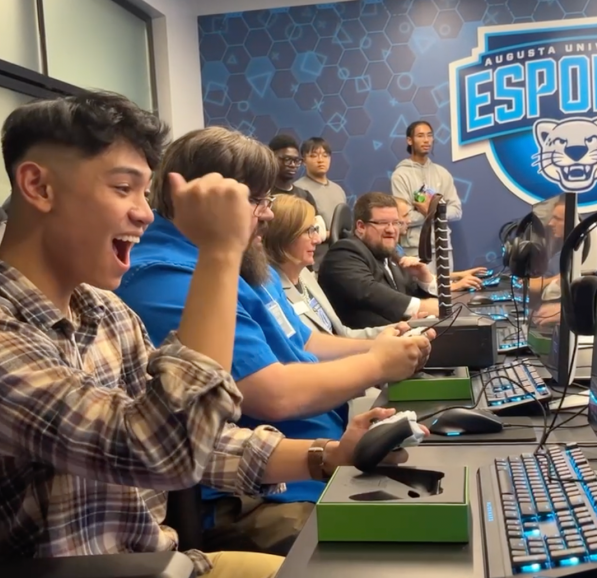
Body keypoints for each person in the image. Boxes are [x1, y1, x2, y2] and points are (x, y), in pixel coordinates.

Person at [0, 91, 415, 578]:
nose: (143, 212)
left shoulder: (106, 311)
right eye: (122, 188)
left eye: (145, 191)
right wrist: (220, 251)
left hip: (175, 563)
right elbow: (165, 451)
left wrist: (328, 457)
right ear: (39, 186)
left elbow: (207, 442)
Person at [116, 126, 433, 556]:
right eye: (257, 200)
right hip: (263, 496)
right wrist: (377, 365)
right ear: (209, 199)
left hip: (315, 457)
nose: (267, 214)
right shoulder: (165, 276)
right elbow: (270, 395)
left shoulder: (241, 263)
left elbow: (304, 340)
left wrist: (376, 348)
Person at [264, 194, 401, 338]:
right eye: (308, 231)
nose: (317, 239)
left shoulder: (304, 275)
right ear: (283, 235)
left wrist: (397, 330)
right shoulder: (269, 289)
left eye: (315, 230)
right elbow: (308, 350)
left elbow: (343, 335)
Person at [319, 192, 444, 329]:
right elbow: (370, 292)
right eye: (383, 223)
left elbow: (409, 293)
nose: (391, 230)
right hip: (365, 345)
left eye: (395, 223)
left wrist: (424, 278)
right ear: (361, 227)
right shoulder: (344, 253)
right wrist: (422, 307)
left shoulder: (389, 254)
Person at [390, 120, 462, 273]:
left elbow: (456, 210)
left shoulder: (442, 173)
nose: (426, 140)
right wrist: (433, 214)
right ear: (410, 140)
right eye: (420, 136)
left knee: (449, 292)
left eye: (429, 135)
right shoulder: (400, 175)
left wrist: (432, 213)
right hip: (415, 249)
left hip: (443, 246)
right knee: (422, 293)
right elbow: (404, 218)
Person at [393, 196, 483, 291]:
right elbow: (416, 282)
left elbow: (425, 277)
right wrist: (455, 286)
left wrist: (459, 275)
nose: (409, 220)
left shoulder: (397, 248)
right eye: (405, 215)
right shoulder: (391, 253)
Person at [295, 136, 347, 232]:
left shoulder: (338, 189)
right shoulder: (298, 189)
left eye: (325, 155)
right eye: (313, 156)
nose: (320, 160)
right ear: (303, 161)